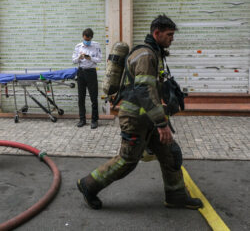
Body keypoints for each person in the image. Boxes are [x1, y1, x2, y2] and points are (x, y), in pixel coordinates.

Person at [76, 15, 203, 210]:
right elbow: (145, 90)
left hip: (148, 117)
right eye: (169, 34)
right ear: (156, 33)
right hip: (136, 118)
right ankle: (89, 185)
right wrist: (161, 124)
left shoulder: (154, 53)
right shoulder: (145, 55)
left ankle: (176, 196)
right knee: (127, 161)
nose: (172, 38)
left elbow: (153, 89)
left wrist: (161, 118)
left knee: (170, 153)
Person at [72, 28, 102, 129]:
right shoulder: (78, 46)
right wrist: (79, 58)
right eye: (85, 39)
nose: (87, 41)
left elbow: (99, 59)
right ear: (83, 37)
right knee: (81, 97)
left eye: (88, 40)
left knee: (94, 97)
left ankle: (94, 120)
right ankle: (82, 119)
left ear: (91, 38)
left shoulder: (96, 46)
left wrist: (90, 58)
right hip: (81, 72)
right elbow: (73, 60)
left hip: (91, 72)